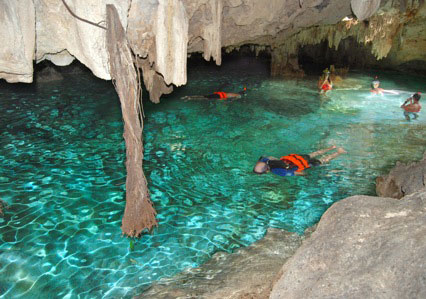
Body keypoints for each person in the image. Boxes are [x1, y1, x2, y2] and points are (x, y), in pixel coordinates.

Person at [253, 145, 346, 176]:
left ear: (267, 171)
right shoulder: (266, 160)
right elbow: (270, 157)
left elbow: (297, 173)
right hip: (297, 157)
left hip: (304, 164)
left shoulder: (277, 171)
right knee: (313, 154)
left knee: (322, 161)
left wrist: (306, 175)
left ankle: (339, 152)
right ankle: (332, 147)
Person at [181, 87, 246, 100]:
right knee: (206, 98)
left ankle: (189, 96)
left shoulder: (235, 93)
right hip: (219, 96)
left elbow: (240, 92)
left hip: (218, 94)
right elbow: (232, 100)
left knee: (205, 96)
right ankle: (190, 98)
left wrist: (243, 90)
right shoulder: (238, 96)